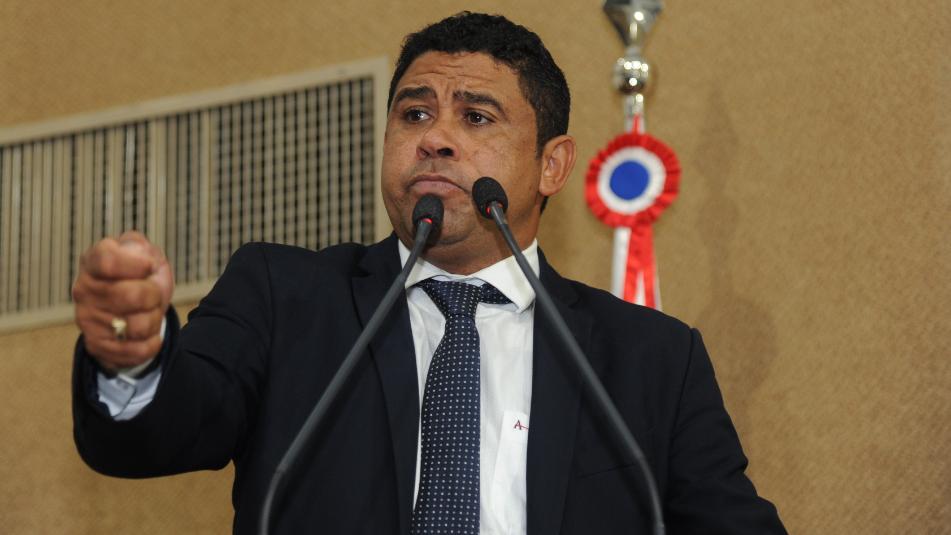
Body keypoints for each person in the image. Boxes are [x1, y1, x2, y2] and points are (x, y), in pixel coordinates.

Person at [71, 12, 786, 535]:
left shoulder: (651, 359)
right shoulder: (285, 297)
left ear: (552, 165)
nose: (435, 138)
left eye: (476, 118)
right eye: (414, 113)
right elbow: (158, 432)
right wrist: (131, 357)